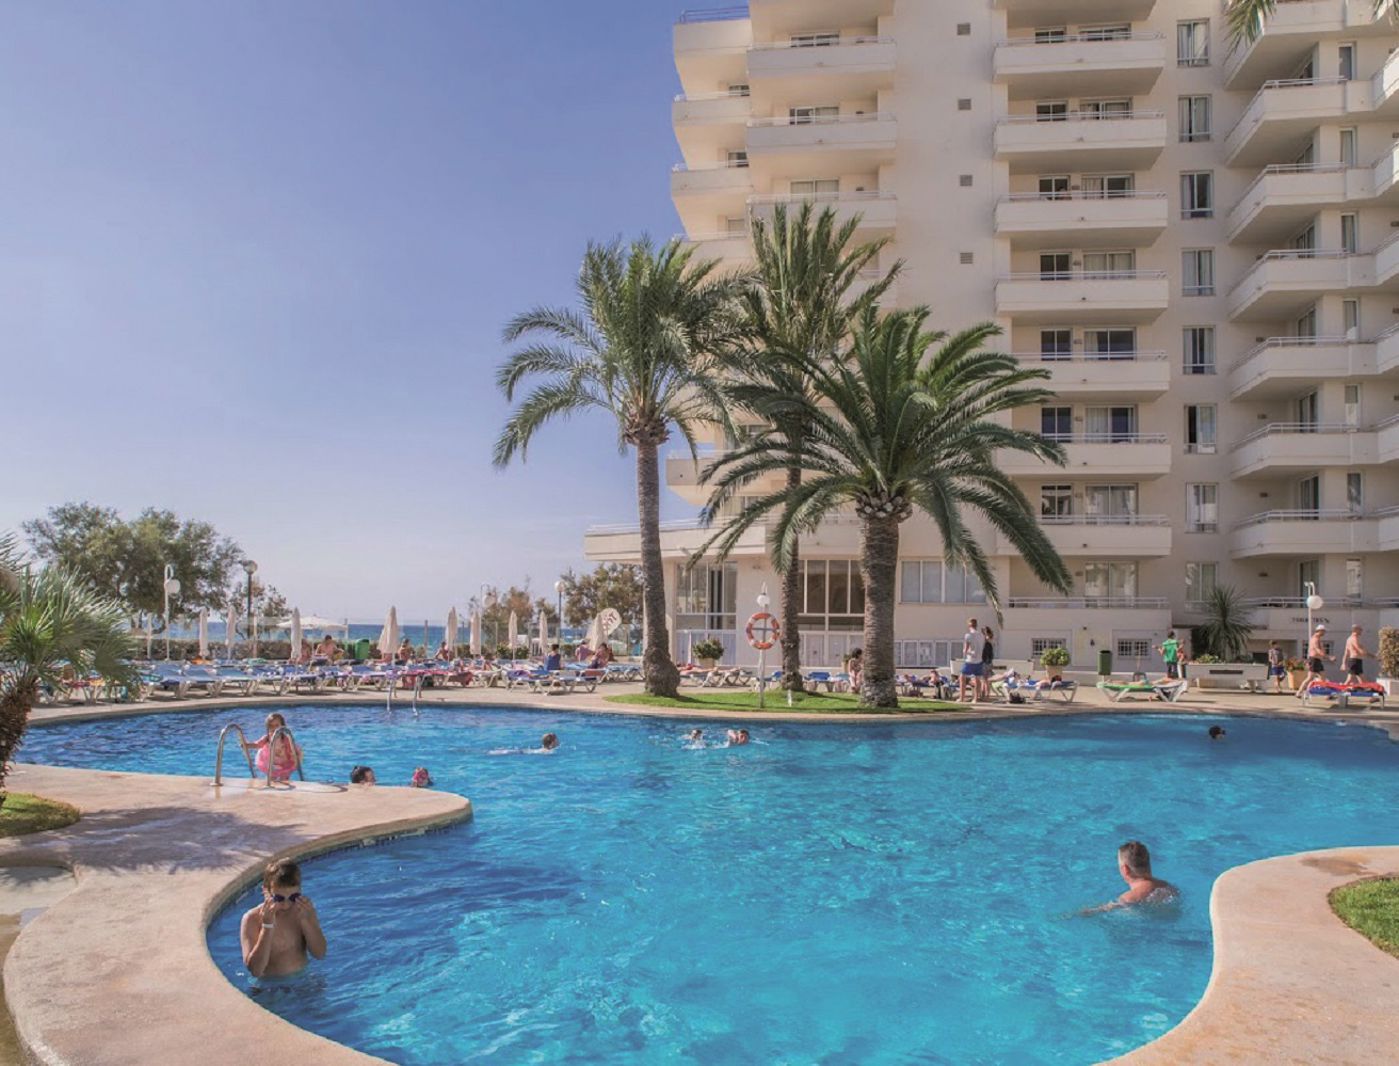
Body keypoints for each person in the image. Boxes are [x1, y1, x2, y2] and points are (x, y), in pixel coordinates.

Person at [239, 859, 327, 978]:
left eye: (293, 897)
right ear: (265, 891)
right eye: (279, 899)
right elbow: (256, 971)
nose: (286, 905)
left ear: (300, 890)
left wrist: (307, 921)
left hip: (304, 981)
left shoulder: (302, 912)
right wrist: (267, 926)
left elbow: (320, 954)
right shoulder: (252, 919)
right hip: (268, 986)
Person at [1085, 841, 1179, 914]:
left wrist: (1085, 912)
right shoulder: (1168, 887)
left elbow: (1104, 909)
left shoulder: (1128, 898)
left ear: (1125, 869)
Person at [244, 713, 301, 782]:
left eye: (277, 725)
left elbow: (291, 748)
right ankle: (270, 786)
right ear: (268, 727)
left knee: (284, 778)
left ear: (282, 726)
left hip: (284, 763)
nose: (274, 728)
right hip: (272, 763)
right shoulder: (267, 738)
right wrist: (247, 745)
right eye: (271, 726)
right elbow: (258, 744)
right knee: (271, 778)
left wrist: (295, 755)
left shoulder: (285, 738)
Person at [1295, 624, 1334, 700]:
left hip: (1318, 660)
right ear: (1319, 631)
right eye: (1323, 631)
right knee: (1310, 678)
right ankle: (1299, 692)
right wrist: (1328, 657)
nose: (1324, 633)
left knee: (1323, 677)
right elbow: (1317, 650)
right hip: (1314, 660)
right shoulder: (1315, 639)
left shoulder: (1318, 639)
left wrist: (1324, 655)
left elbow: (1320, 650)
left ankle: (1327, 694)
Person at [958, 618, 983, 702]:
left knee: (962, 677)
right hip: (979, 660)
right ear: (976, 625)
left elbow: (965, 650)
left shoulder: (968, 635)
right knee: (977, 679)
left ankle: (962, 698)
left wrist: (966, 651)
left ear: (969, 626)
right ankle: (975, 698)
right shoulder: (981, 635)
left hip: (970, 660)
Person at [979, 626, 996, 701]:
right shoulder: (988, 640)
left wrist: (984, 634)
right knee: (984, 680)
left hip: (986, 662)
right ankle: (984, 695)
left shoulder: (988, 640)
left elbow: (987, 640)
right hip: (986, 662)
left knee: (986, 680)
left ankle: (986, 695)